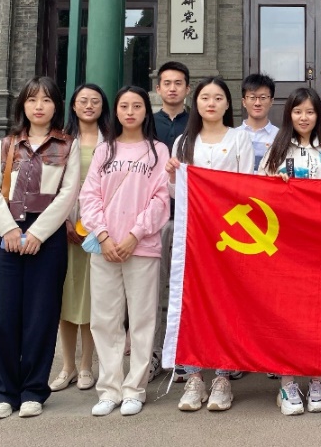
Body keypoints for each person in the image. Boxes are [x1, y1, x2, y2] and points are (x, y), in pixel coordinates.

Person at [0, 76, 81, 420]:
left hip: (47, 235)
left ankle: (34, 391)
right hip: (8, 231)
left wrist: (38, 233)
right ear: (23, 104)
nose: (39, 106)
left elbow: (67, 194)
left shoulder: (67, 145)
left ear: (56, 106)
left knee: (41, 316)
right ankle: (3, 392)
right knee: (4, 316)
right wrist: (8, 229)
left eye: (47, 100)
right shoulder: (8, 144)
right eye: (33, 99)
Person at [165, 76, 256, 412]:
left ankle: (222, 377)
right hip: (194, 235)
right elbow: (178, 193)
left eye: (218, 98)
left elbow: (247, 186)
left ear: (228, 104)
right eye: (205, 97)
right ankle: (193, 376)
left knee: (226, 303)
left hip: (230, 236)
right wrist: (173, 175)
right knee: (193, 302)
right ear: (196, 102)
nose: (212, 103)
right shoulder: (183, 142)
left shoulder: (239, 138)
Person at [80, 86, 171, 417]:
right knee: (105, 319)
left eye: (137, 106)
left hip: (142, 247)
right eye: (124, 106)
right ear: (115, 111)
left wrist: (135, 234)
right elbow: (89, 196)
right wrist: (103, 236)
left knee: (143, 319)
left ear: (146, 111)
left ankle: (135, 388)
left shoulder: (158, 151)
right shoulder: (104, 150)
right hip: (105, 248)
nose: (130, 112)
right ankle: (109, 388)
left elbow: (161, 198)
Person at [258, 87, 321, 415]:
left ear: (318, 115)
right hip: (284, 248)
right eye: (297, 111)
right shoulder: (275, 152)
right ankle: (288, 383)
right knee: (287, 316)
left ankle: (317, 380)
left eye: (310, 111)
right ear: (288, 114)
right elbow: (257, 197)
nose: (304, 117)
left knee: (320, 315)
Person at [49, 83, 110, 394]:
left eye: (95, 101)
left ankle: (87, 365)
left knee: (91, 299)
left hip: (99, 232)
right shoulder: (60, 141)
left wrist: (98, 225)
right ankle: (67, 366)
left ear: (102, 106)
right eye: (83, 100)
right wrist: (63, 221)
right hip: (64, 228)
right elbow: (51, 186)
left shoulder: (110, 143)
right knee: (65, 299)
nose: (88, 106)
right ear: (73, 106)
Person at [150, 62, 191, 380]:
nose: (173, 88)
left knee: (185, 290)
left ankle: (183, 354)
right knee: (155, 291)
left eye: (179, 83)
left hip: (189, 219)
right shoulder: (148, 123)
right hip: (154, 220)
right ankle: (153, 354)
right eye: (167, 83)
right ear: (158, 88)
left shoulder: (198, 123)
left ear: (188, 89)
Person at [238, 73, 279, 170]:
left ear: (271, 101)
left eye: (263, 98)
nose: (257, 103)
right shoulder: (233, 135)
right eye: (252, 98)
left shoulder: (279, 137)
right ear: (244, 102)